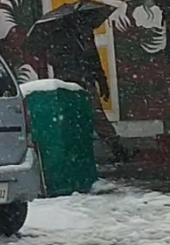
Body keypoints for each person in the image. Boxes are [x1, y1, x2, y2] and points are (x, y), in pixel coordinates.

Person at [40, 19, 132, 163]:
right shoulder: (61, 37)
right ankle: (79, 152)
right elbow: (56, 60)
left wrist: (101, 80)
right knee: (82, 118)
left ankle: (115, 149)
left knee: (92, 117)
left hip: (80, 80)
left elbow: (93, 58)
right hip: (72, 81)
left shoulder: (83, 35)